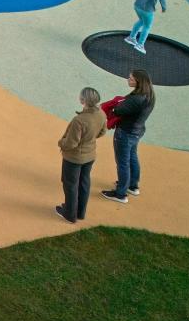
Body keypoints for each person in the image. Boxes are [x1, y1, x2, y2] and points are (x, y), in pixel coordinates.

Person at [100, 70, 154, 204]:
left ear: (138, 82)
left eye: (131, 78)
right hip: (137, 131)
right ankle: (132, 186)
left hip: (126, 132)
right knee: (132, 157)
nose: (128, 79)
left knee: (122, 163)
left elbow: (118, 110)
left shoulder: (135, 99)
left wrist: (116, 105)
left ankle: (120, 194)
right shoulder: (149, 95)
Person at [57, 87, 106, 223]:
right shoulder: (101, 114)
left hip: (74, 158)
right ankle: (80, 212)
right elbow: (102, 132)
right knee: (84, 183)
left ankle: (69, 214)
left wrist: (61, 142)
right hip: (90, 156)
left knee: (70, 185)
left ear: (83, 100)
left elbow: (71, 143)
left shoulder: (79, 120)